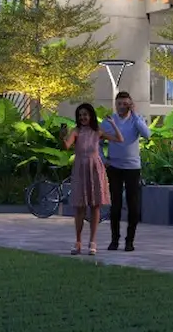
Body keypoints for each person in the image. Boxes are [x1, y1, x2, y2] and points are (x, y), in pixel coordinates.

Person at [62, 102, 122, 256]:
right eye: (80, 115)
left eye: (85, 114)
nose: (83, 117)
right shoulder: (76, 131)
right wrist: (63, 135)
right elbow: (67, 145)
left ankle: (93, 242)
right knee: (80, 207)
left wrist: (113, 124)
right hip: (81, 169)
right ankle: (78, 241)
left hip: (95, 169)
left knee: (95, 206)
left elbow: (119, 139)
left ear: (91, 116)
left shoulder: (97, 131)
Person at [102, 90, 151, 252]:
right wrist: (104, 159)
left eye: (125, 104)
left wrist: (135, 113)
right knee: (115, 205)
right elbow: (97, 141)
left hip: (132, 167)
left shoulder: (137, 120)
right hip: (114, 167)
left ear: (130, 104)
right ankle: (114, 240)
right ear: (115, 105)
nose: (122, 107)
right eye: (119, 104)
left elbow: (147, 134)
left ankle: (130, 240)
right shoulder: (109, 121)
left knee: (133, 205)